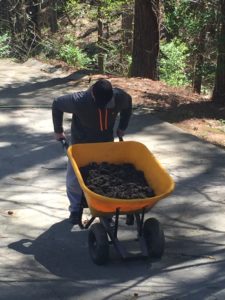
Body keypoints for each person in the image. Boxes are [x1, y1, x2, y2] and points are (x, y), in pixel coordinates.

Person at [52, 79, 132, 224]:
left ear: (112, 96)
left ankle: (107, 211)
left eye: (107, 104)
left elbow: (128, 103)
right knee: (74, 180)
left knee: (107, 178)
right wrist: (58, 131)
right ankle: (75, 210)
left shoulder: (119, 97)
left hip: (105, 145)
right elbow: (57, 103)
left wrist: (122, 126)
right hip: (80, 146)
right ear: (93, 95)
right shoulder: (79, 100)